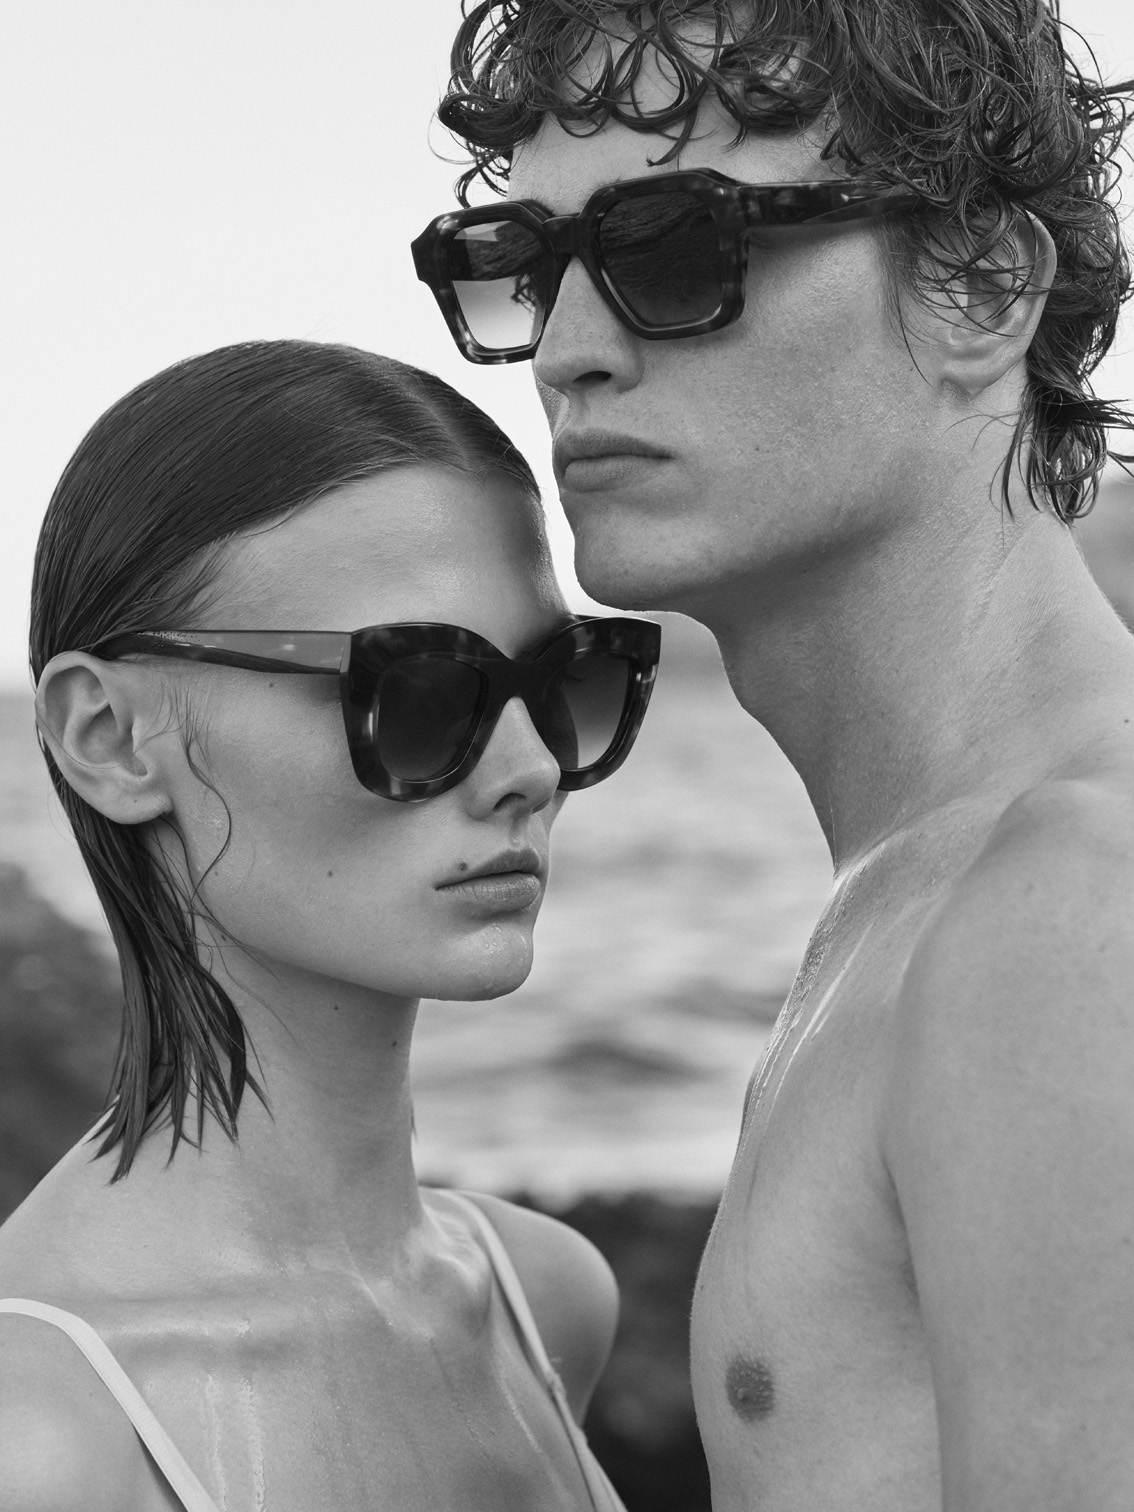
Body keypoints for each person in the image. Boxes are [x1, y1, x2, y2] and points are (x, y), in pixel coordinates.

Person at [415, 2, 1134, 1508]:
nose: (568, 353)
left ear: (981, 287)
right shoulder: (936, 888)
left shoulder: (1069, 910)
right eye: (528, 268)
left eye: (675, 249)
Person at [0, 339, 661, 1511]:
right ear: (107, 738)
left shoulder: (546, 1298)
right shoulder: (39, 1440)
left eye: (565, 680)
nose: (530, 768)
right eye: (416, 689)